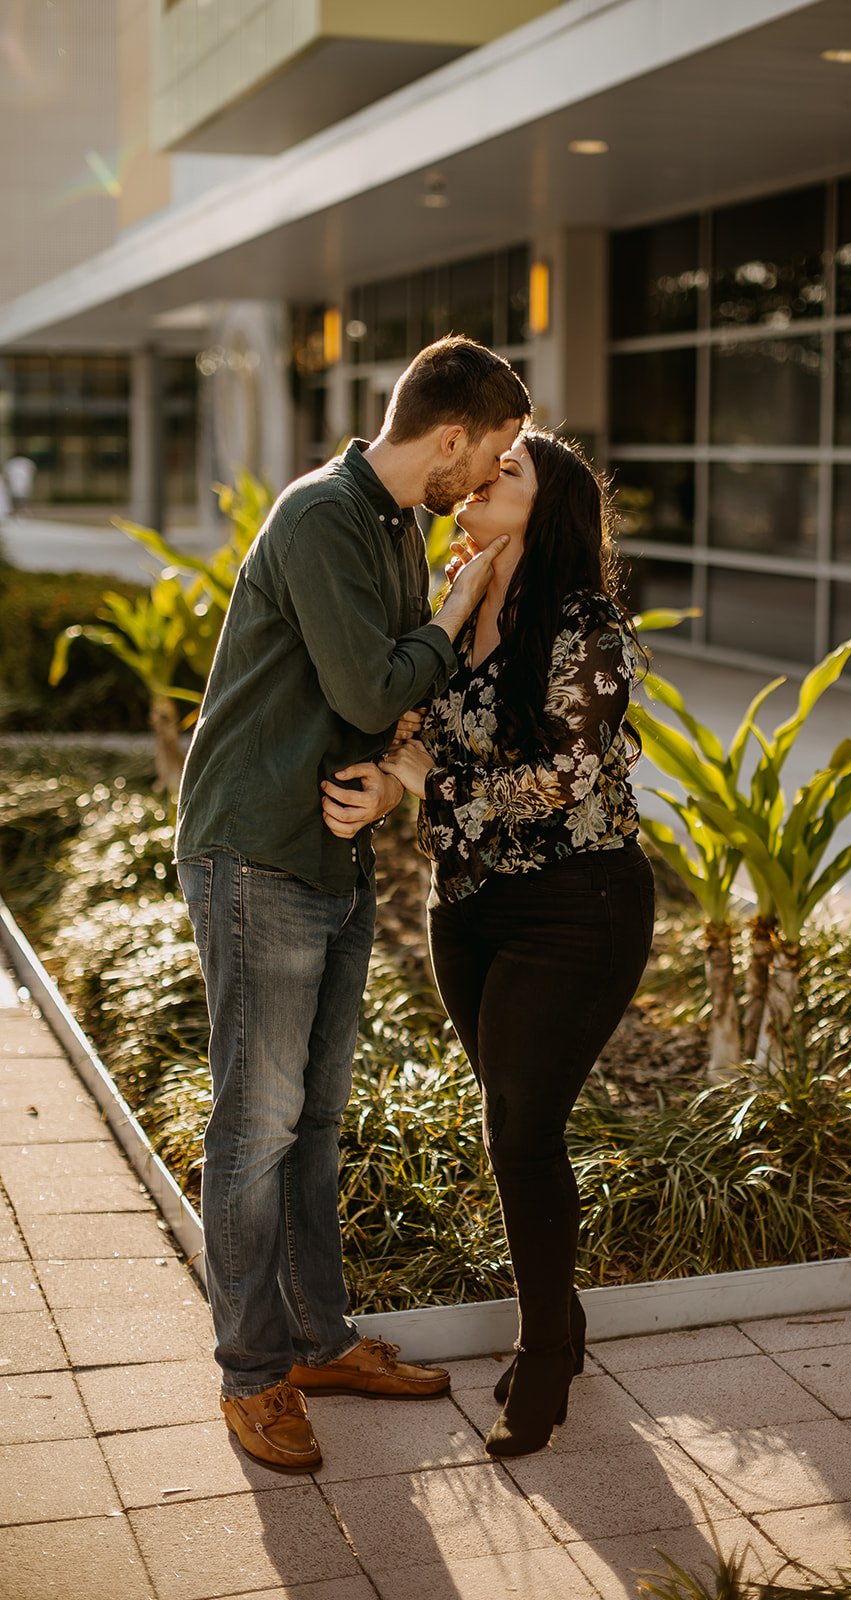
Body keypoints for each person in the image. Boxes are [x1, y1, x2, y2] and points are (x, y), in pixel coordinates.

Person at [175, 336, 530, 1473]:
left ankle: (319, 1340)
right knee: (255, 1125)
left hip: (327, 852)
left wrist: (387, 775)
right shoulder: (321, 517)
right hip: (256, 852)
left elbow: (380, 713)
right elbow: (372, 684)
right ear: (453, 435)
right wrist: (459, 606)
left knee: (315, 1120)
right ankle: (251, 1374)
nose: (485, 485)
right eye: (493, 459)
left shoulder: (398, 527)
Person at [322, 430, 656, 1458]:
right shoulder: (458, 605)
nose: (474, 482)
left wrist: (430, 782)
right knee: (510, 1116)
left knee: (521, 1128)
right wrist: (392, 773)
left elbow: (563, 780)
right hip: (463, 904)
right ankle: (566, 1321)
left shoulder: (586, 629)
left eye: (503, 473)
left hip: (577, 906)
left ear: (545, 507)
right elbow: (406, 725)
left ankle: (543, 1356)